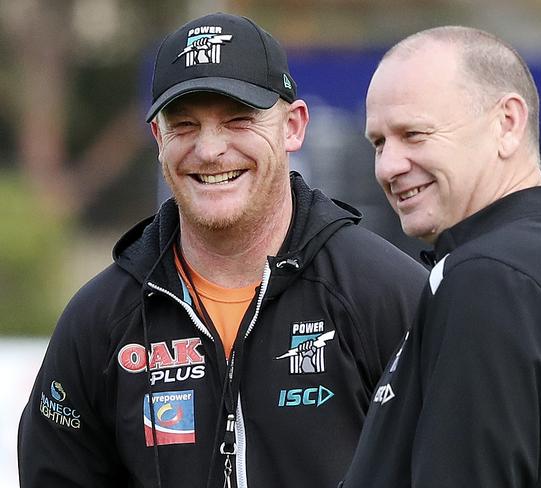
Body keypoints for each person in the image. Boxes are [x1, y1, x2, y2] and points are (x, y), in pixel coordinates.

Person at [17, 12, 428, 488]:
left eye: (239, 119)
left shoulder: (387, 295)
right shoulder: (99, 321)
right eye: (185, 124)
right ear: (158, 139)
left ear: (293, 127)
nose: (210, 150)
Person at [341, 26, 541, 488]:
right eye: (379, 143)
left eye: (414, 134)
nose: (388, 166)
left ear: (507, 123)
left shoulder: (492, 276)